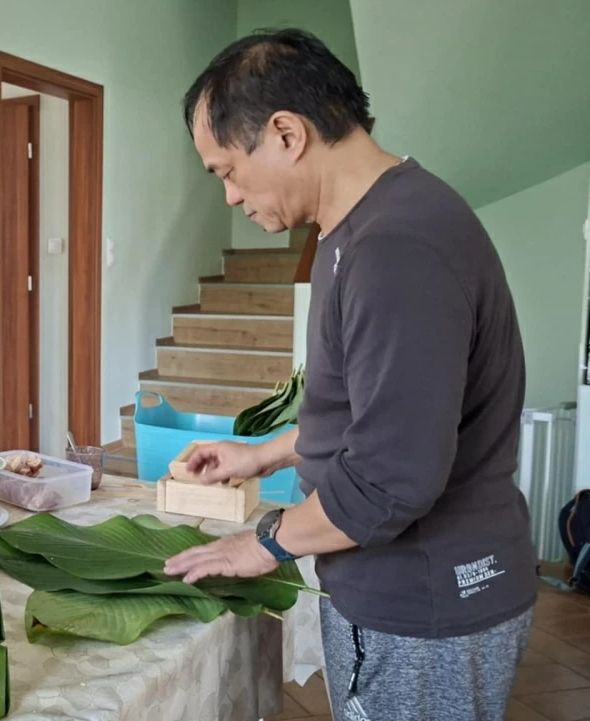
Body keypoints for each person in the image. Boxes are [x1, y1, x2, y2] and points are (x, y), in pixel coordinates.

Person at [164, 29, 536, 721]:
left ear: (285, 133)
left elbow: (391, 476)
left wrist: (263, 541)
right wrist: (262, 452)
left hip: (426, 602)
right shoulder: (355, 229)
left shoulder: (398, 245)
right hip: (402, 593)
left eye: (225, 170)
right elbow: (371, 414)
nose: (229, 195)